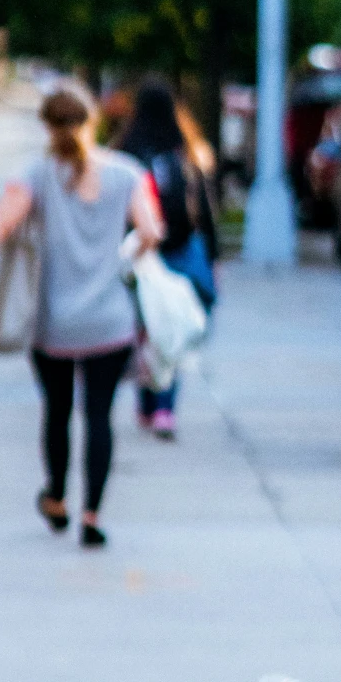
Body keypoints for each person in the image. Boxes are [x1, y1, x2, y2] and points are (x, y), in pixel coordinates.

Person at [0, 83, 161, 548]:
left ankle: (56, 499)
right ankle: (93, 515)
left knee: (57, 413)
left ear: (47, 127)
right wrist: (125, 257)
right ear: (91, 120)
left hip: (54, 324)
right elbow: (152, 230)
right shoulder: (127, 174)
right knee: (99, 417)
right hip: (110, 323)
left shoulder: (34, 175)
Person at [118, 76, 220, 439]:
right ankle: (164, 408)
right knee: (172, 328)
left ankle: (146, 402)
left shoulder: (125, 152)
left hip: (141, 253)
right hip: (180, 249)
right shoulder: (187, 153)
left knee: (146, 327)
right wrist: (214, 258)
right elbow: (206, 211)